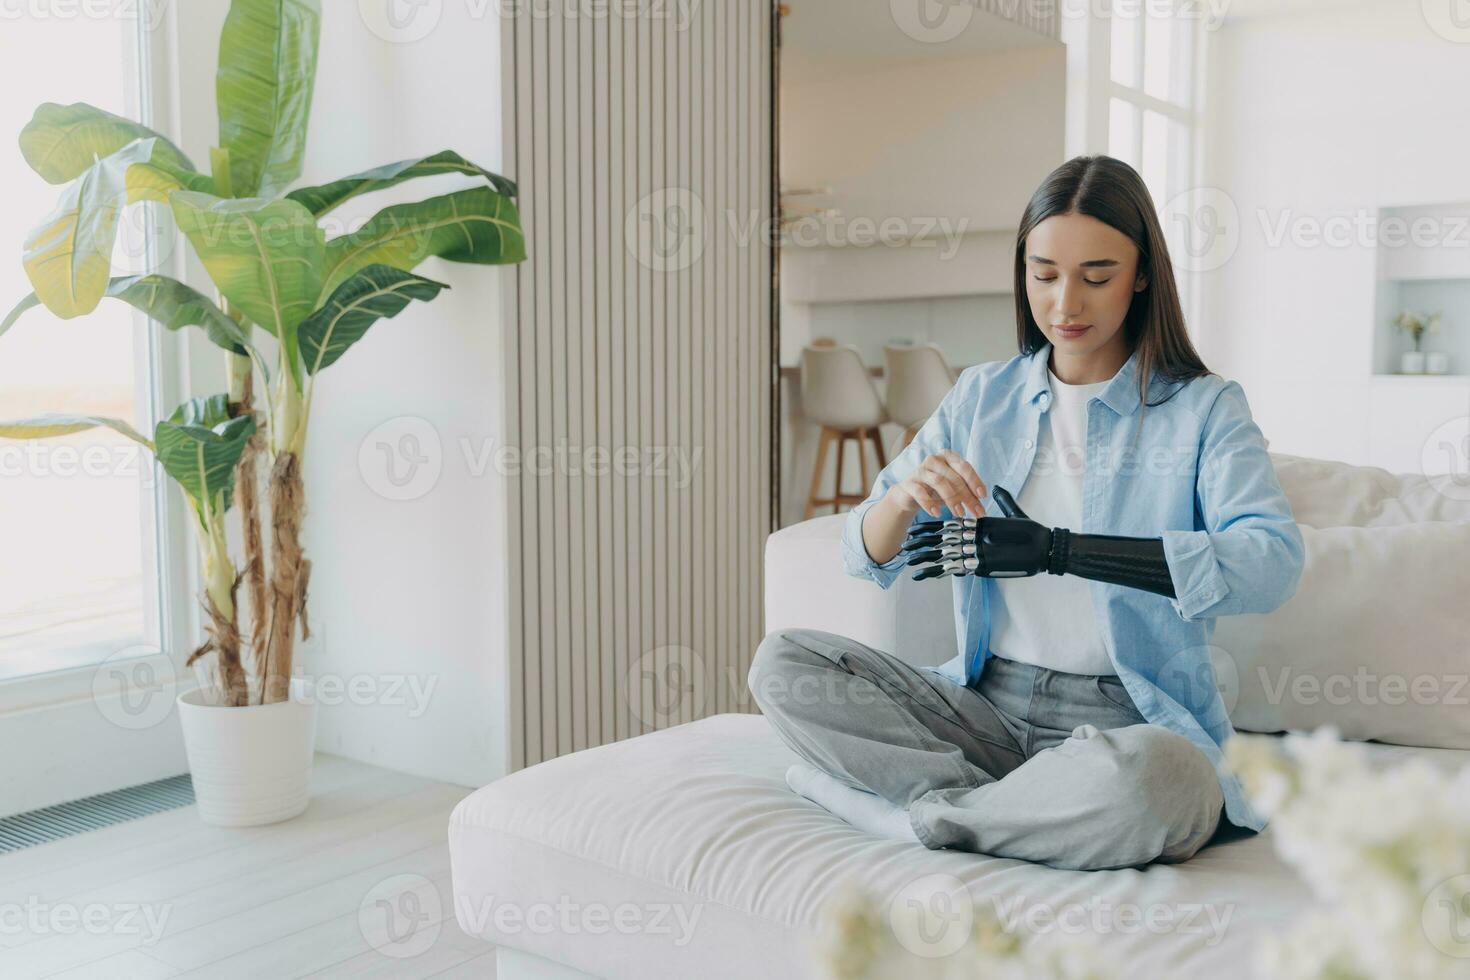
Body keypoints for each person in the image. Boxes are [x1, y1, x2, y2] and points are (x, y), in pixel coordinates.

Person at [747, 155, 1305, 872]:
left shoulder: (1203, 409)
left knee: (1163, 783)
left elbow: (1270, 564)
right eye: (1044, 275)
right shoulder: (983, 397)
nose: (1066, 304)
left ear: (1141, 275)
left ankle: (918, 816)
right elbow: (863, 553)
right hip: (983, 709)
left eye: (1096, 276)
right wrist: (902, 494)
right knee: (785, 664)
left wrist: (1058, 550)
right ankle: (1008, 809)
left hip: (1129, 722)